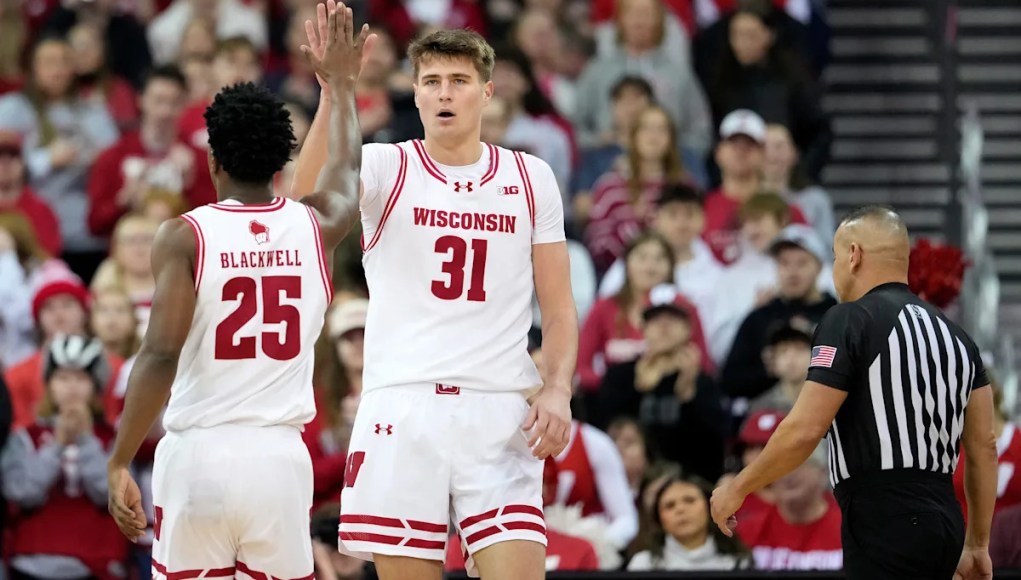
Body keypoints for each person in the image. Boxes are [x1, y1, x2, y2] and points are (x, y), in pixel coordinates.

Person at [292, 19, 578, 580]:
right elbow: (305, 203)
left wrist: (559, 388)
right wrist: (333, 92)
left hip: (499, 410)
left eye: (459, 81)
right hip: (404, 406)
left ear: (487, 92)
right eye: (431, 81)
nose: (444, 93)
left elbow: (559, 304)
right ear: (415, 92)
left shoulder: (530, 176)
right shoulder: (386, 163)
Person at [106, 5, 371, 580]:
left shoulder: (184, 235)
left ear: (212, 159)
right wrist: (341, 88)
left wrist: (120, 459)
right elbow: (347, 169)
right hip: (278, 460)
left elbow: (159, 354)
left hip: (199, 456)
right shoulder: (317, 225)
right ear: (280, 160)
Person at [710, 206, 999, 580]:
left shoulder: (848, 318)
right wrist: (977, 544)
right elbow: (984, 446)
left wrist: (739, 486)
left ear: (853, 255)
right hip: (945, 520)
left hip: (883, 519)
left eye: (834, 257)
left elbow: (805, 429)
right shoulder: (957, 337)